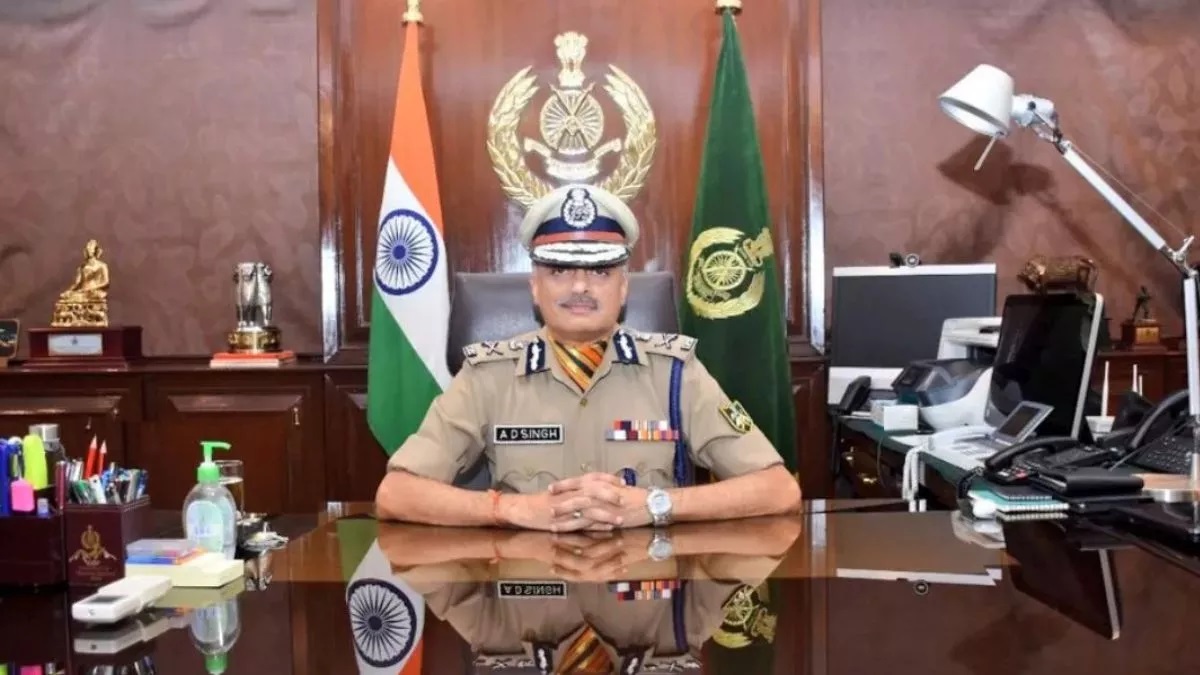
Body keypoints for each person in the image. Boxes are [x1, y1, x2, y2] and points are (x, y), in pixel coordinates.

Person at [374, 183, 801, 531]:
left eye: (600, 272)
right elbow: (397, 494)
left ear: (624, 287)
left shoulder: (674, 372)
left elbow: (778, 490)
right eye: (559, 271)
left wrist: (656, 504)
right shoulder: (488, 375)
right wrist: (512, 509)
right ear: (535, 288)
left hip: (645, 593)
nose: (580, 287)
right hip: (528, 594)